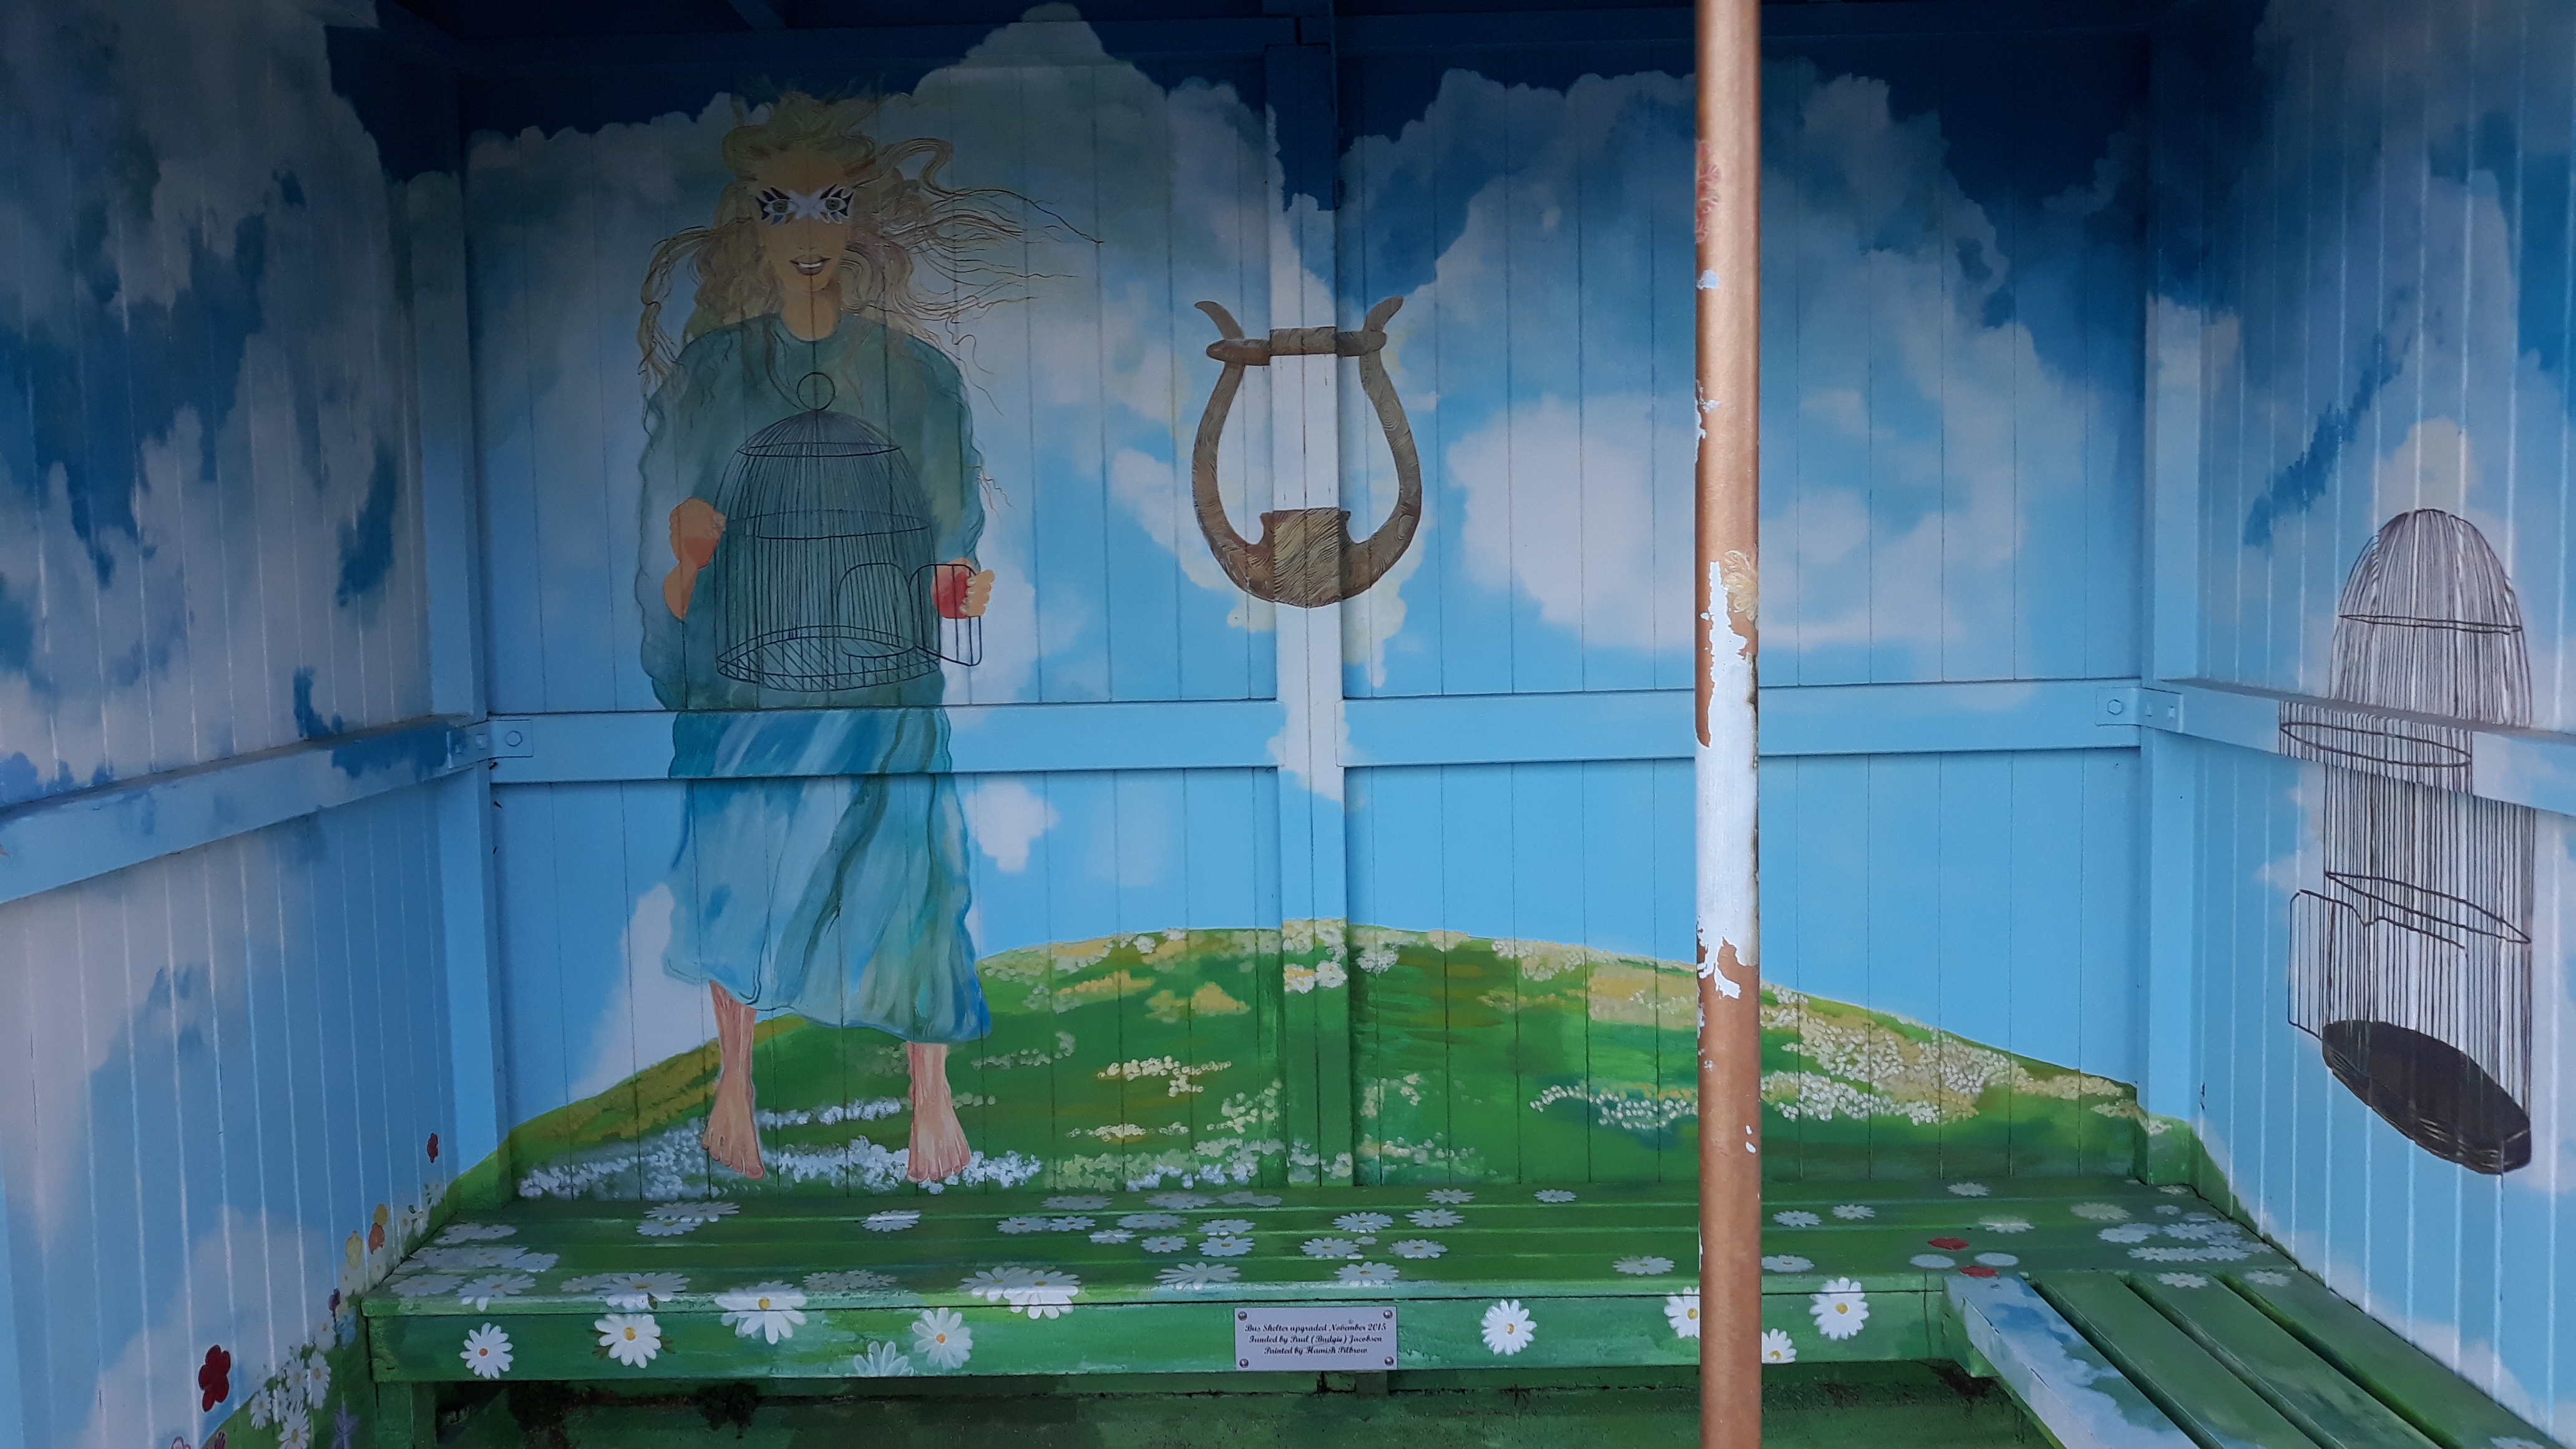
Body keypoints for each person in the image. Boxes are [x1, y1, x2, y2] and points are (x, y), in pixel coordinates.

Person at [633, 93, 1017, 1182]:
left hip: (883, 677)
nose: (807, 232)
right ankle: (735, 1092)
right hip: (744, 682)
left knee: (914, 874)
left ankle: (932, 1104)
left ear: (859, 222)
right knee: (734, 863)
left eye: (831, 205)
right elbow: (667, 543)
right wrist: (685, 559)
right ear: (749, 225)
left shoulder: (917, 378)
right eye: (780, 206)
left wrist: (956, 584)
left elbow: (947, 531)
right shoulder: (710, 377)